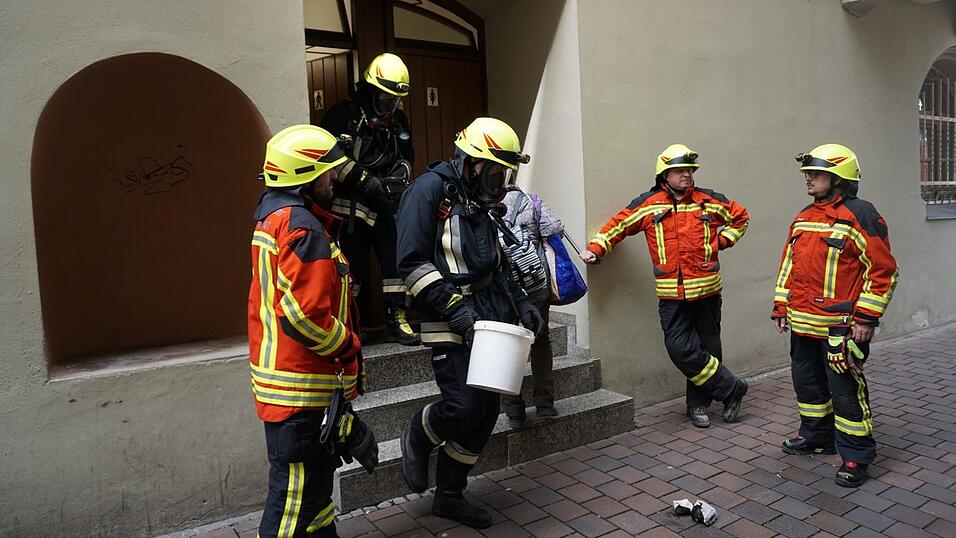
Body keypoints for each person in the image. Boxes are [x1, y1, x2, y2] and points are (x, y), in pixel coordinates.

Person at [396, 117, 546, 529]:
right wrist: (455, 308)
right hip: (448, 314)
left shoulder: (477, 197)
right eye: (496, 171)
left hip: (491, 314)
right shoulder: (428, 192)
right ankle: (420, 433)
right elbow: (410, 262)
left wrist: (520, 302)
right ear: (472, 162)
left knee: (485, 411)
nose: (501, 181)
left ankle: (449, 496)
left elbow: (495, 263)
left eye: (505, 173)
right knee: (462, 405)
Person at [249, 125, 378, 537]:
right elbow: (304, 318)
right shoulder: (302, 226)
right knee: (290, 509)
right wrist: (350, 344)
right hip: (299, 394)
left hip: (296, 388)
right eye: (326, 173)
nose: (333, 180)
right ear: (305, 178)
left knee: (315, 499)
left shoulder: (278, 218)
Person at [580, 144, 750, 428]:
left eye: (689, 170)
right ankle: (732, 389)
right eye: (680, 170)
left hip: (708, 290)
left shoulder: (708, 200)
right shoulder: (650, 203)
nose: (687, 175)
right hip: (672, 293)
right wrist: (597, 248)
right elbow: (618, 226)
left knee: (708, 349)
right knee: (680, 349)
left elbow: (741, 218)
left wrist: (721, 241)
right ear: (664, 175)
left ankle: (697, 406)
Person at [772, 143, 898, 487]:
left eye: (815, 174)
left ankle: (857, 456)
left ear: (839, 178)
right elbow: (789, 264)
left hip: (840, 329)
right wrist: (781, 306)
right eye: (808, 174)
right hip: (802, 324)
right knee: (808, 386)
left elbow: (883, 271)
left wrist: (866, 319)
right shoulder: (804, 216)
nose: (808, 180)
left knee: (845, 392)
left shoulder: (862, 214)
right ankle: (816, 437)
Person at [321, 52, 418, 346]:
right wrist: (363, 179)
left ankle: (396, 319)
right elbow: (327, 152)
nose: (391, 104)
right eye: (386, 98)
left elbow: (408, 156)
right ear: (371, 90)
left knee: (393, 261)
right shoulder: (345, 114)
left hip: (386, 203)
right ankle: (350, 322)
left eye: (395, 99)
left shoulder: (398, 120)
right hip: (350, 204)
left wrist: (399, 176)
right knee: (353, 266)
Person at [498, 185, 565, 427]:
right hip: (535, 284)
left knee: (507, 343)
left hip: (502, 288)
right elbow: (554, 228)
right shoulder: (530, 200)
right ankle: (545, 404)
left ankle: (514, 410)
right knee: (541, 340)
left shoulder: (481, 202)